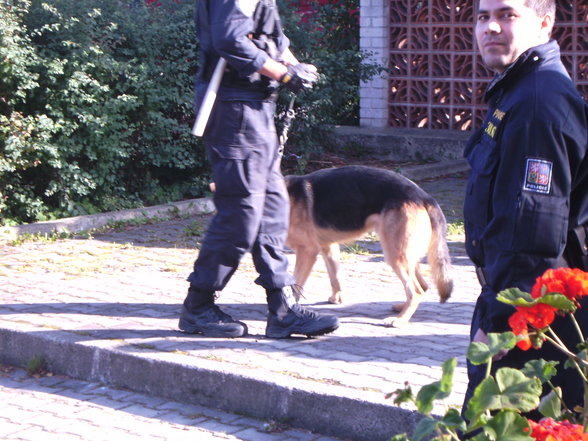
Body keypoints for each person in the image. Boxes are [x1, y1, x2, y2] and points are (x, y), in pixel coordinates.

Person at [179, 0, 340, 339]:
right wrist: (282, 73)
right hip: (235, 112)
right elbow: (229, 39)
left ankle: (282, 310)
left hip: (256, 111)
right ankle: (198, 305)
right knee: (241, 214)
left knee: (272, 211)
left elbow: (273, 40)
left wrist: (296, 67)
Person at [462, 0, 588, 419]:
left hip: (530, 320)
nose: (491, 27)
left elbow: (532, 233)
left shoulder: (538, 103)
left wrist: (498, 328)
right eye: (483, 17)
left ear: (545, 23)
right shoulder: (518, 90)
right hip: (514, 302)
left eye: (507, 14)